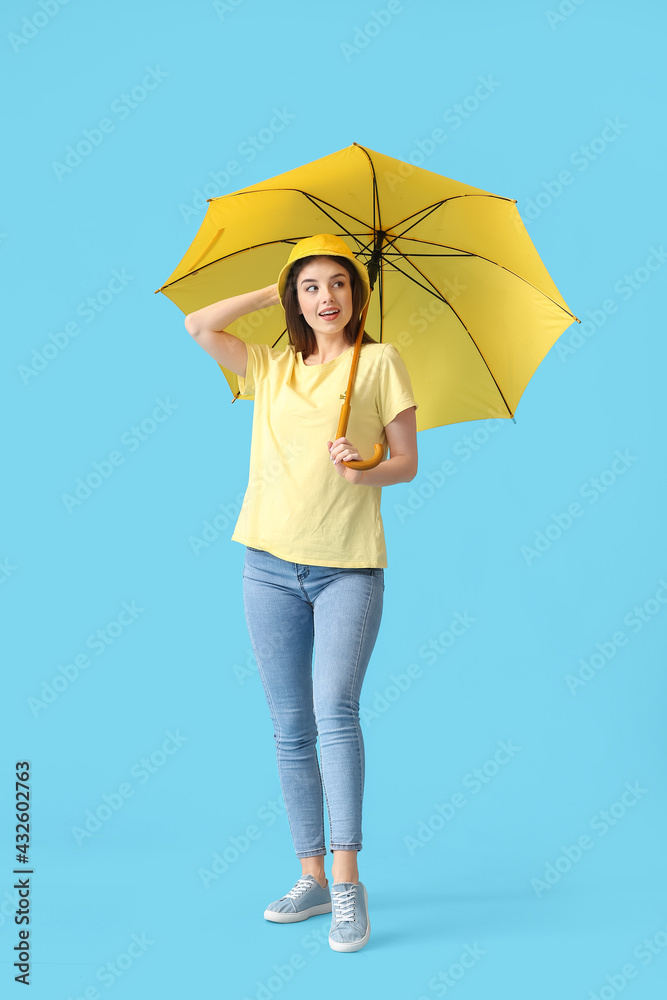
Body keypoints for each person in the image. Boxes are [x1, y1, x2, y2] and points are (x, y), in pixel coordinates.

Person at [184, 234, 418, 953]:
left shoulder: (377, 363)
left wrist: (364, 465)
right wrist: (268, 289)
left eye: (339, 285)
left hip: (346, 566)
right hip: (266, 564)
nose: (326, 298)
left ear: (358, 296)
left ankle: (348, 883)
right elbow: (198, 325)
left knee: (333, 712)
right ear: (296, 297)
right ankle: (310, 877)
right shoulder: (272, 366)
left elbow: (406, 463)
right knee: (289, 727)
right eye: (310, 286)